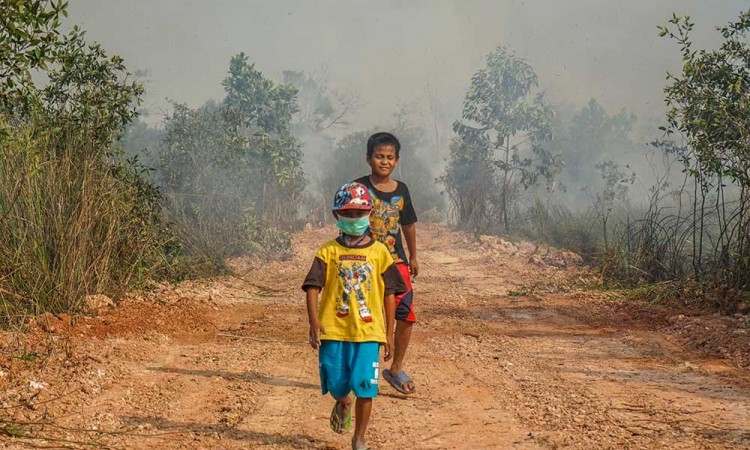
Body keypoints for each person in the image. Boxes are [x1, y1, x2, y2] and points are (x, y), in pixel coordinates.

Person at [302, 182, 407, 450]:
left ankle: (359, 438)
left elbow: (390, 294)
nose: (354, 219)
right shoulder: (328, 251)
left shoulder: (380, 252)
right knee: (336, 383)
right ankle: (343, 401)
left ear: (369, 214)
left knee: (365, 386)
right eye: (347, 214)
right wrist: (314, 322)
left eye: (359, 214)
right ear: (337, 215)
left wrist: (389, 333)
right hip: (333, 330)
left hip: (368, 334)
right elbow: (313, 286)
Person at [353, 131, 418, 395]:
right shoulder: (358, 188)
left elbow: (408, 225)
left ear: (397, 160)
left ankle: (395, 367)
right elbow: (347, 220)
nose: (384, 161)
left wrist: (413, 256)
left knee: (406, 315)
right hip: (364, 262)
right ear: (368, 159)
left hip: (396, 263)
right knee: (363, 317)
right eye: (379, 156)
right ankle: (361, 371)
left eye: (390, 157)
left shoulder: (402, 190)